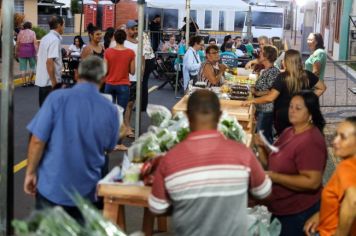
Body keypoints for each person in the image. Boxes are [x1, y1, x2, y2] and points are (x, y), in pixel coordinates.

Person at [149, 89, 272, 236]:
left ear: (186, 116)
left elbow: (157, 207)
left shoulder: (170, 159)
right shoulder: (242, 153)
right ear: (220, 116)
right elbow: (264, 191)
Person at [24, 56, 120, 221]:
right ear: (103, 79)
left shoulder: (57, 98)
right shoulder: (111, 110)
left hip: (52, 187)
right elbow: (109, 147)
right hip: (86, 192)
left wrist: (30, 173)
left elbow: (37, 140)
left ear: (76, 74)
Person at [256, 91, 327, 236]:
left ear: (311, 114)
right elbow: (271, 165)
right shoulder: (289, 131)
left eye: (298, 108)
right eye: (291, 106)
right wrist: (261, 147)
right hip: (282, 209)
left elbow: (312, 182)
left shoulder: (311, 141)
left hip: (298, 213)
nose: (292, 111)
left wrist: (275, 176)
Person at [243, 49, 326, 135]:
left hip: (284, 116)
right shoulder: (307, 75)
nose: (282, 61)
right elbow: (322, 88)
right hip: (301, 114)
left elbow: (270, 97)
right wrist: (306, 101)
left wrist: (252, 100)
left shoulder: (282, 77)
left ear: (286, 62)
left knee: (285, 140)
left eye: (284, 59)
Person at [304, 117, 356, 236]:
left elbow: (353, 201)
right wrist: (321, 215)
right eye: (336, 135)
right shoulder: (347, 163)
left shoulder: (348, 168)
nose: (334, 141)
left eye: (343, 137)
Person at [35, 16, 64, 107]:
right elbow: (49, 62)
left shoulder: (45, 38)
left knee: (44, 112)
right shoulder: (55, 40)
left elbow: (41, 58)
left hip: (43, 82)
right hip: (50, 84)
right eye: (63, 25)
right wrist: (54, 84)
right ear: (59, 25)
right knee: (52, 113)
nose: (64, 27)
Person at [253, 45, 280, 144]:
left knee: (262, 139)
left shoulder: (273, 71)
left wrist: (257, 92)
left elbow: (273, 91)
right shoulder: (267, 70)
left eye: (261, 52)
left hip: (266, 109)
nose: (259, 54)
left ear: (266, 56)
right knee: (263, 138)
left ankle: (272, 158)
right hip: (261, 108)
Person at [124, 20, 140, 139]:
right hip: (126, 77)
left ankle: (127, 125)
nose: (135, 31)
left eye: (136, 28)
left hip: (136, 77)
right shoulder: (123, 43)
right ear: (127, 30)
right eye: (132, 29)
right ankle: (126, 126)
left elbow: (142, 59)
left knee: (131, 103)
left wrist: (142, 74)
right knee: (128, 104)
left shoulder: (139, 42)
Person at [15, 21, 37, 87]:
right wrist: (37, 52)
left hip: (22, 51)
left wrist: (16, 52)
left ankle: (24, 83)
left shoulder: (20, 33)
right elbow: (35, 43)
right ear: (30, 26)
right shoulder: (32, 32)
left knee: (23, 68)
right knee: (32, 67)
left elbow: (17, 43)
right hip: (31, 51)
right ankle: (30, 81)